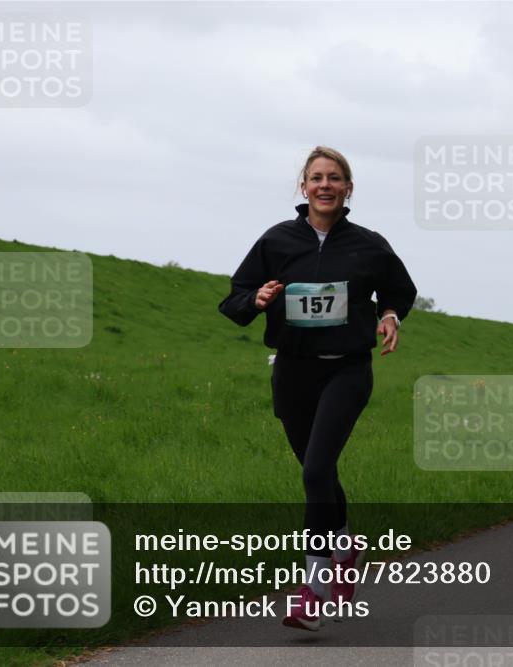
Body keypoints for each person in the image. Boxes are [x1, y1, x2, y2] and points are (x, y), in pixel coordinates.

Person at [218, 146, 417, 631]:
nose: (324, 185)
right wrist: (258, 298)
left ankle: (313, 589)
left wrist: (389, 314)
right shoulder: (277, 240)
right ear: (303, 187)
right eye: (316, 178)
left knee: (316, 470)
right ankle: (345, 548)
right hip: (292, 370)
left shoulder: (368, 245)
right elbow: (234, 299)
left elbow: (400, 289)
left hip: (347, 370)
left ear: (348, 188)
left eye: (334, 178)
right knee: (318, 473)